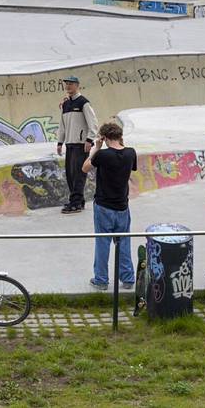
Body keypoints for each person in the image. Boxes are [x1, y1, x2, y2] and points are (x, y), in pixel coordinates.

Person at [82, 122, 136, 291]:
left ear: (104, 138)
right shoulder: (130, 153)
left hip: (104, 205)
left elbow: (84, 168)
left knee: (102, 243)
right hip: (122, 206)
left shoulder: (103, 155)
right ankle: (128, 279)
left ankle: (101, 280)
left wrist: (95, 149)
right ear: (120, 136)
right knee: (124, 243)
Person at [56, 75, 98, 214]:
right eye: (66, 84)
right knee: (70, 174)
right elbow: (62, 125)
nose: (68, 86)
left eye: (71, 84)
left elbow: (93, 123)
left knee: (79, 174)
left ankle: (75, 203)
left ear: (77, 85)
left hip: (81, 144)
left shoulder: (83, 103)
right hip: (69, 144)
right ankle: (78, 201)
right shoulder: (66, 104)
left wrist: (89, 140)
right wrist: (59, 142)